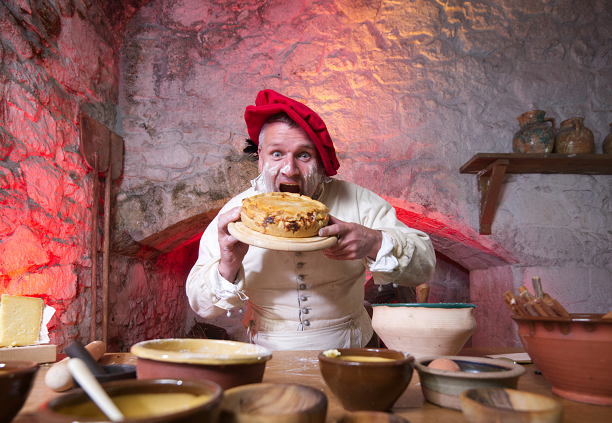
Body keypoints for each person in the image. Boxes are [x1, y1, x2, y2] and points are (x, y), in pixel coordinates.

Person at [186, 90, 436, 351]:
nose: (290, 169)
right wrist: (228, 264)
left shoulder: (358, 200)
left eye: (303, 155)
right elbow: (201, 306)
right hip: (269, 353)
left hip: (350, 348)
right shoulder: (238, 214)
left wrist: (374, 242)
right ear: (260, 156)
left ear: (320, 159)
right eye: (276, 154)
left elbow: (425, 265)